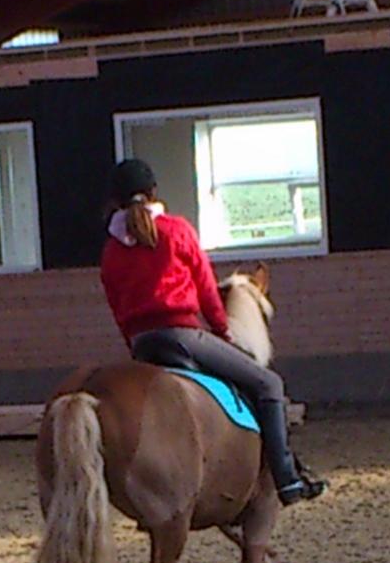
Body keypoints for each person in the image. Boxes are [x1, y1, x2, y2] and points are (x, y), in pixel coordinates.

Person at [99, 157, 326, 506]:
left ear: (114, 201)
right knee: (269, 385)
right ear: (154, 191)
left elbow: (116, 305)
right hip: (183, 336)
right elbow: (206, 288)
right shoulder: (176, 231)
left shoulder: (112, 251)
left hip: (143, 345)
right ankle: (287, 479)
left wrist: (135, 343)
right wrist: (222, 330)